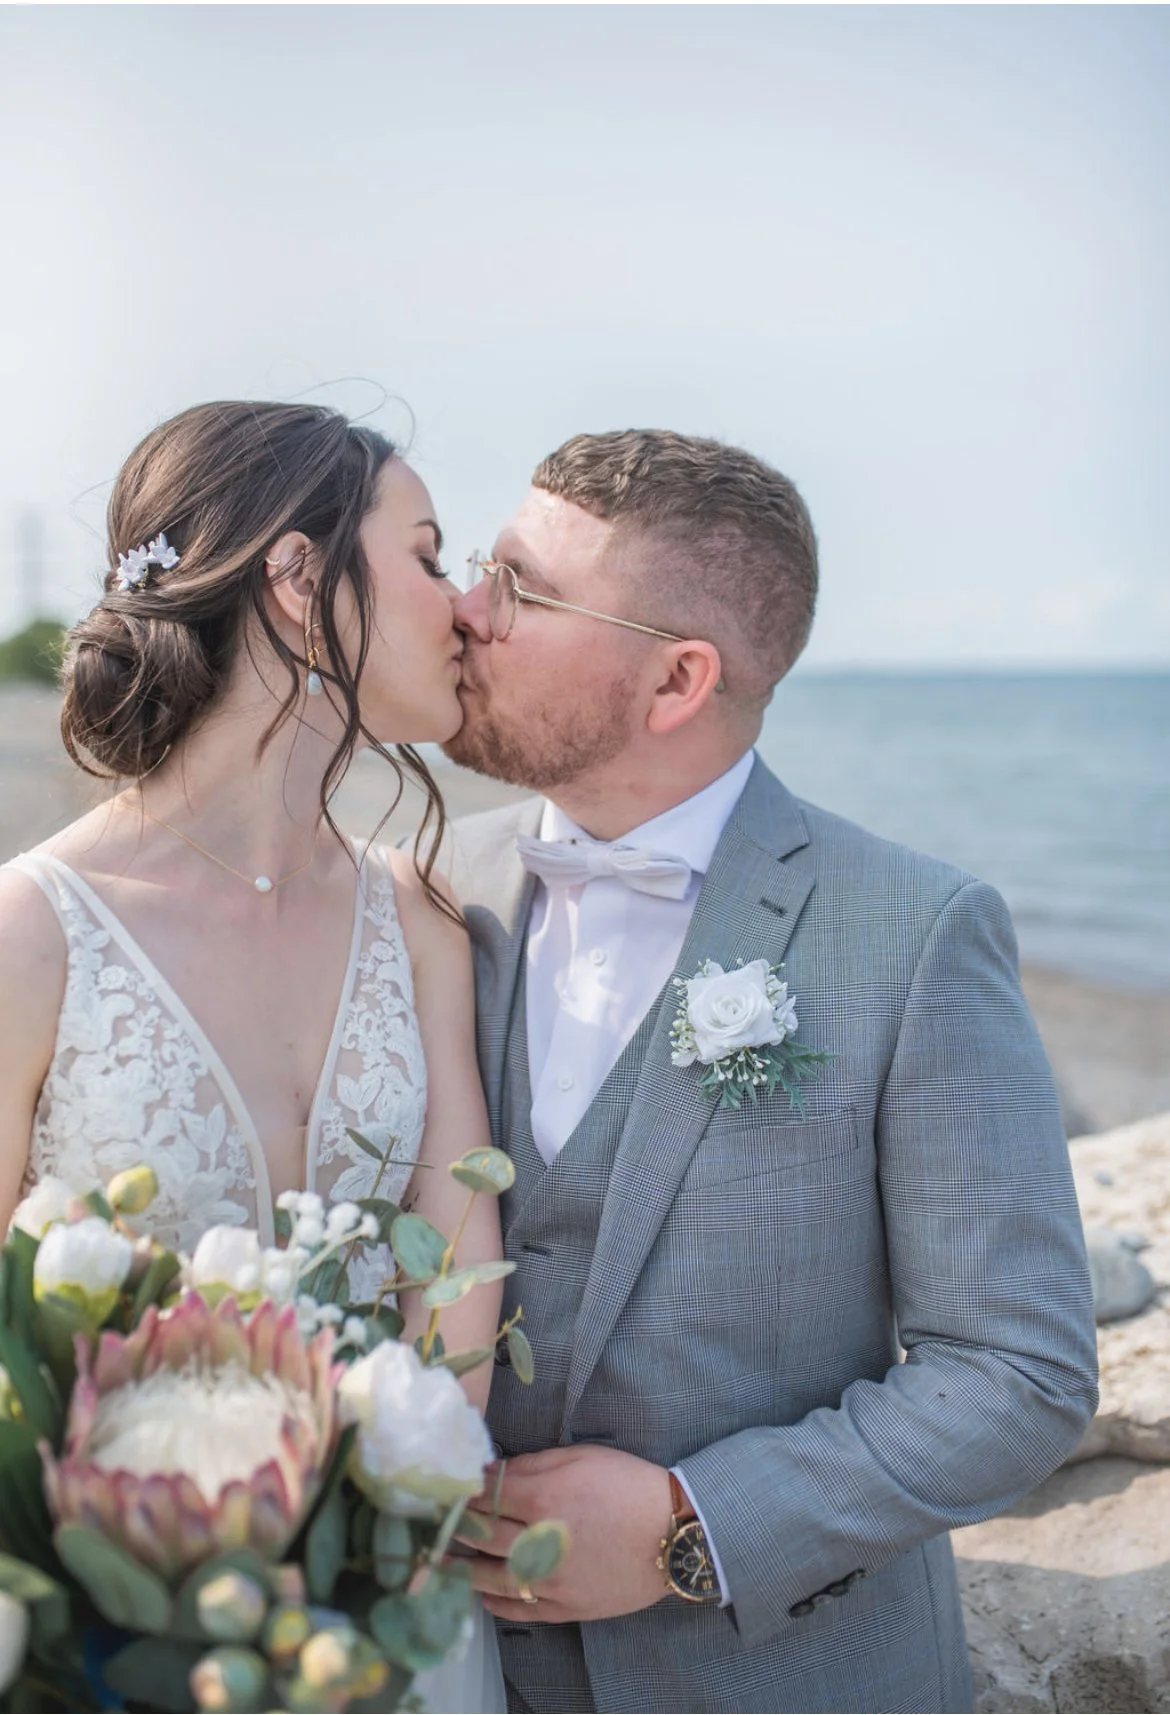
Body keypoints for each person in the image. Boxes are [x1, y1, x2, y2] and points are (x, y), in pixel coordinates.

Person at [441, 429, 1100, 1714]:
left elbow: (1018, 1370)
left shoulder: (915, 933)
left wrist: (696, 1526)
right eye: (481, 565)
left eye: (521, 587)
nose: (468, 611)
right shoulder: (419, 890)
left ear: (678, 679)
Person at [0, 400, 506, 1714]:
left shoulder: (419, 913)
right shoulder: (31, 931)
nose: (463, 605)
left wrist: (389, 1570)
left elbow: (456, 1280)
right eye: (431, 553)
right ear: (295, 579)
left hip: (391, 1629)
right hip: (118, 1638)